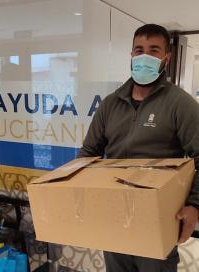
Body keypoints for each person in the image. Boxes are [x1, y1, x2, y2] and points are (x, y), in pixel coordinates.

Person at [78, 24, 199, 272]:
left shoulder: (180, 104)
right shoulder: (110, 104)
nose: (145, 56)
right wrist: (81, 197)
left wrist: (195, 204)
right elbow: (88, 153)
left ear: (167, 57)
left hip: (158, 219)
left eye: (154, 50)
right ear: (131, 55)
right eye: (139, 50)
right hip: (114, 218)